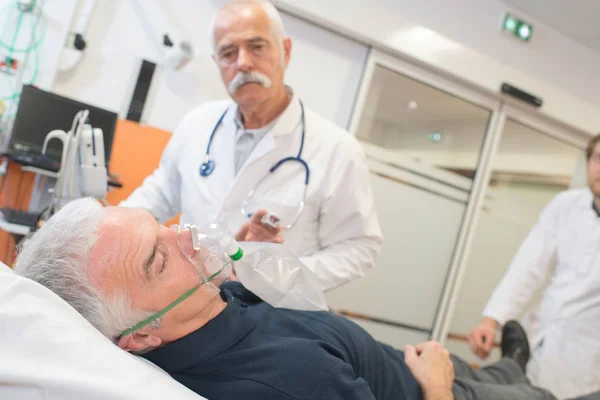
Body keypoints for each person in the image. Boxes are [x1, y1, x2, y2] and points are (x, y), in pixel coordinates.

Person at [15, 198, 567, 400]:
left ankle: (509, 365)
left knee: (495, 372)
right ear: (138, 335)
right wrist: (438, 390)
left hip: (396, 362)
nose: (187, 239)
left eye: (164, 226)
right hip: (428, 386)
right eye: (158, 259)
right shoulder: (289, 386)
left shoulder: (201, 309)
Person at [119, 0, 382, 291]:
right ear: (217, 62)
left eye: (257, 46)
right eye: (228, 53)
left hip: (269, 313)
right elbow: (159, 195)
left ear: (286, 51)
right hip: (186, 298)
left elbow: (359, 247)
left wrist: (278, 275)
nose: (243, 62)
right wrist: (107, 224)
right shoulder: (198, 123)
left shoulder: (337, 150)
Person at [468, 133, 600, 399]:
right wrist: (491, 320)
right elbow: (527, 266)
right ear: (588, 163)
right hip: (537, 338)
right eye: (599, 158)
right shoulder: (565, 205)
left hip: (586, 361)